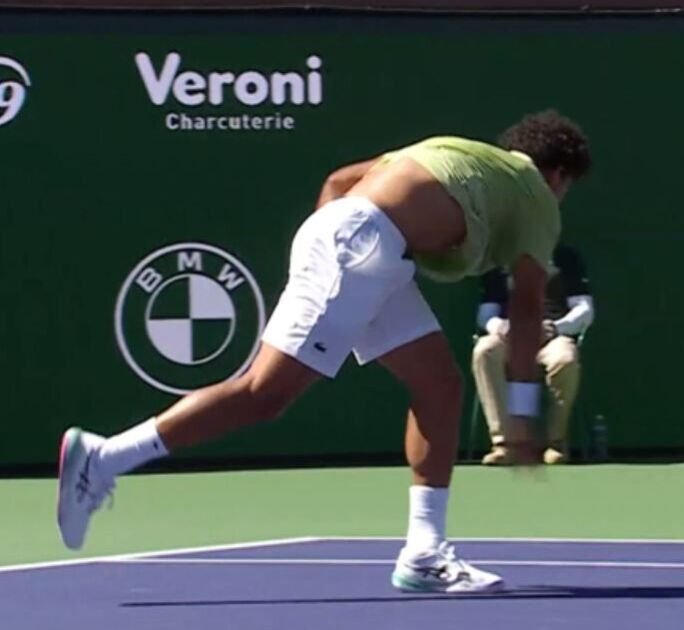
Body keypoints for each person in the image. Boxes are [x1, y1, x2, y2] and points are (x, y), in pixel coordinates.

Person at [55, 110, 592, 594]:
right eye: (565, 187)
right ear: (558, 176)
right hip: (362, 249)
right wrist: (522, 413)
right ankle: (104, 459)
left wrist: (333, 259)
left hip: (365, 245)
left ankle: (424, 554)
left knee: (439, 387)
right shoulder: (536, 196)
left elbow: (338, 182)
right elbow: (526, 307)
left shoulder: (458, 151)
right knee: (264, 393)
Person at [472, 244, 593, 466]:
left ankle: (555, 443)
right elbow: (486, 314)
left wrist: (556, 327)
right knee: (484, 351)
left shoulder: (566, 256)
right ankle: (504, 444)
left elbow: (585, 309)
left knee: (565, 360)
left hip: (553, 336)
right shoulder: (497, 259)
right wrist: (501, 327)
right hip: (510, 337)